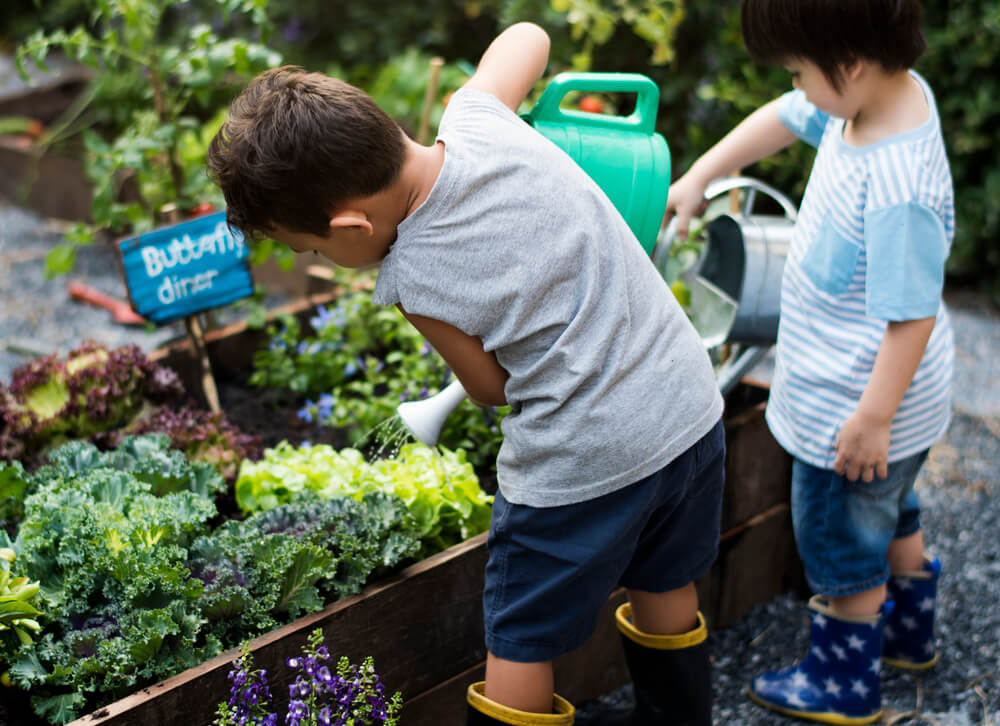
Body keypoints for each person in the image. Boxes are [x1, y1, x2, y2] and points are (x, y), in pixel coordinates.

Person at [207, 21, 725, 726]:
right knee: (666, 578)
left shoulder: (410, 275)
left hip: (583, 459)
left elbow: (490, 387)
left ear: (354, 227)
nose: (317, 263)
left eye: (312, 251)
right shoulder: (478, 116)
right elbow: (529, 37)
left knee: (519, 634)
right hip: (687, 404)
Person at [666, 0, 953, 723]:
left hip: (854, 410)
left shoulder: (897, 184)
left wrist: (871, 420)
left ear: (848, 64)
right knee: (890, 506)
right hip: (892, 404)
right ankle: (910, 631)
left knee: (838, 538)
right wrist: (704, 171)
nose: (796, 87)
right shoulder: (875, 99)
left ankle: (843, 683)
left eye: (799, 71)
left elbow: (912, 313)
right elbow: (789, 116)